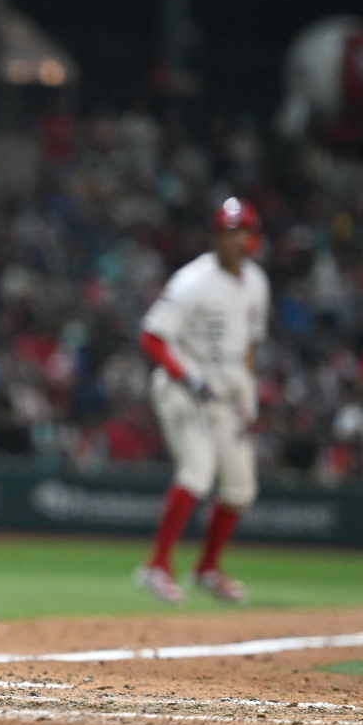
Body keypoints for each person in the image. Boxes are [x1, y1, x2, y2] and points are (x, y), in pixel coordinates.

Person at [134, 197, 269, 604]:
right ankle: (157, 566)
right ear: (216, 236)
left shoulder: (257, 283)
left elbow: (250, 345)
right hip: (182, 385)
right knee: (197, 470)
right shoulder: (192, 280)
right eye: (228, 232)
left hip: (225, 392)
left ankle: (207, 568)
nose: (234, 240)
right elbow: (152, 336)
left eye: (241, 231)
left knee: (241, 489)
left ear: (252, 238)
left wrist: (247, 391)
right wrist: (187, 376)